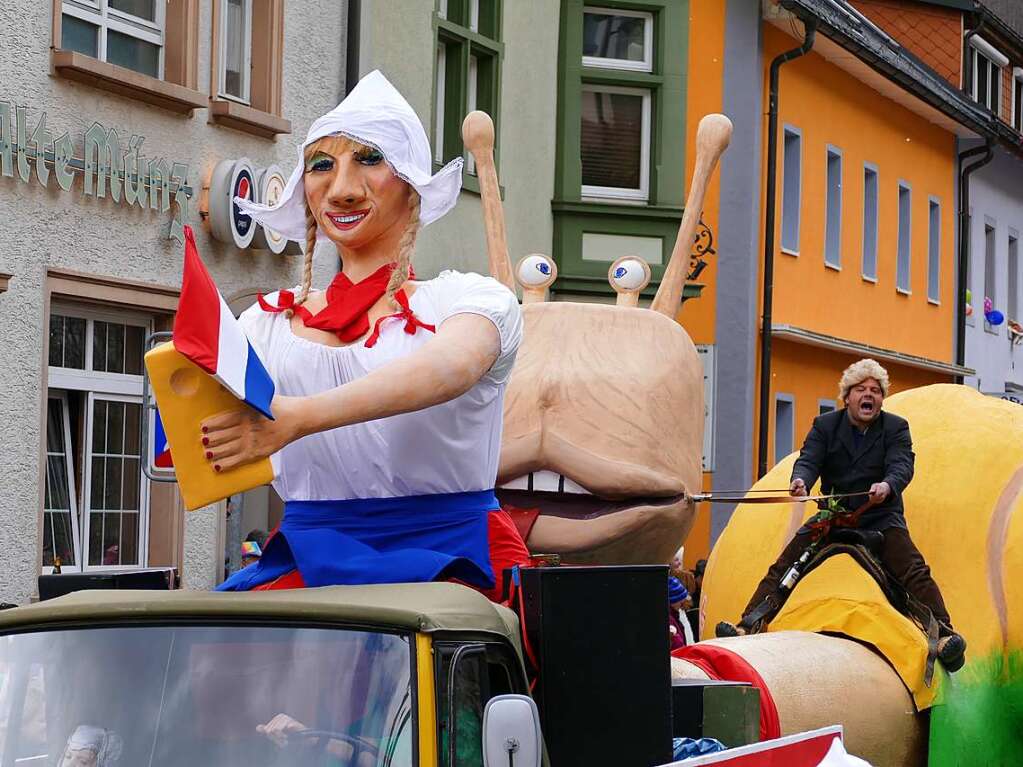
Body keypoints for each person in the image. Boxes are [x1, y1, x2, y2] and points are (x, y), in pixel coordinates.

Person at [205, 70, 530, 602]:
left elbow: (451, 369)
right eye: (322, 166)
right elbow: (202, 434)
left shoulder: (469, 300)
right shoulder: (263, 323)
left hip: (455, 565)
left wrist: (297, 418)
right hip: (309, 562)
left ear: (411, 185)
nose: (342, 188)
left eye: (370, 160)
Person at [716, 359, 966, 672]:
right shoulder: (825, 426)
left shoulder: (896, 427)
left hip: (880, 516)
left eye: (875, 390)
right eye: (862, 389)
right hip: (834, 516)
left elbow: (903, 465)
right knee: (784, 565)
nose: (869, 395)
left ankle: (944, 635)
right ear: (846, 396)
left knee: (914, 569)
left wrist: (888, 485)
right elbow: (809, 459)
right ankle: (747, 625)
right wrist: (801, 481)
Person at [668, 576, 695, 649]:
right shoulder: (669, 619)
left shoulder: (675, 614)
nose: (682, 602)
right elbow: (677, 646)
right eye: (680, 600)